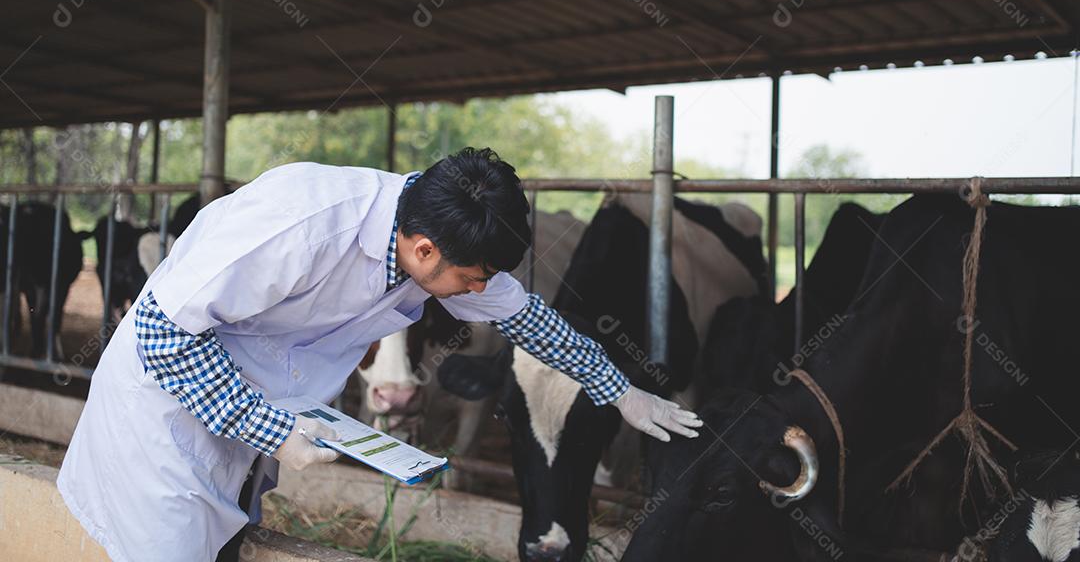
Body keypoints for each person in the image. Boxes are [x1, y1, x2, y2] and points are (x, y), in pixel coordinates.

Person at [57, 147, 701, 561]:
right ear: (425, 252)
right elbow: (162, 333)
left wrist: (619, 389)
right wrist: (268, 428)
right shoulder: (303, 219)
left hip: (248, 422)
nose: (477, 293)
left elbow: (525, 317)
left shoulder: (434, 232)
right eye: (471, 279)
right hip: (166, 421)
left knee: (225, 545)